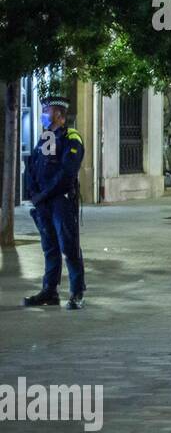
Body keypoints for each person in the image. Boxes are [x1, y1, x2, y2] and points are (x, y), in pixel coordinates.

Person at [22, 93, 86, 309]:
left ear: (58, 114)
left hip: (61, 201)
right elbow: (33, 166)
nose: (43, 115)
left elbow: (67, 172)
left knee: (69, 246)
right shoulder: (44, 137)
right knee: (49, 247)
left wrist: (45, 194)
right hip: (43, 203)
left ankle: (77, 292)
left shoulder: (71, 137)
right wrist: (33, 193)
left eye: (46, 111)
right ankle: (50, 291)